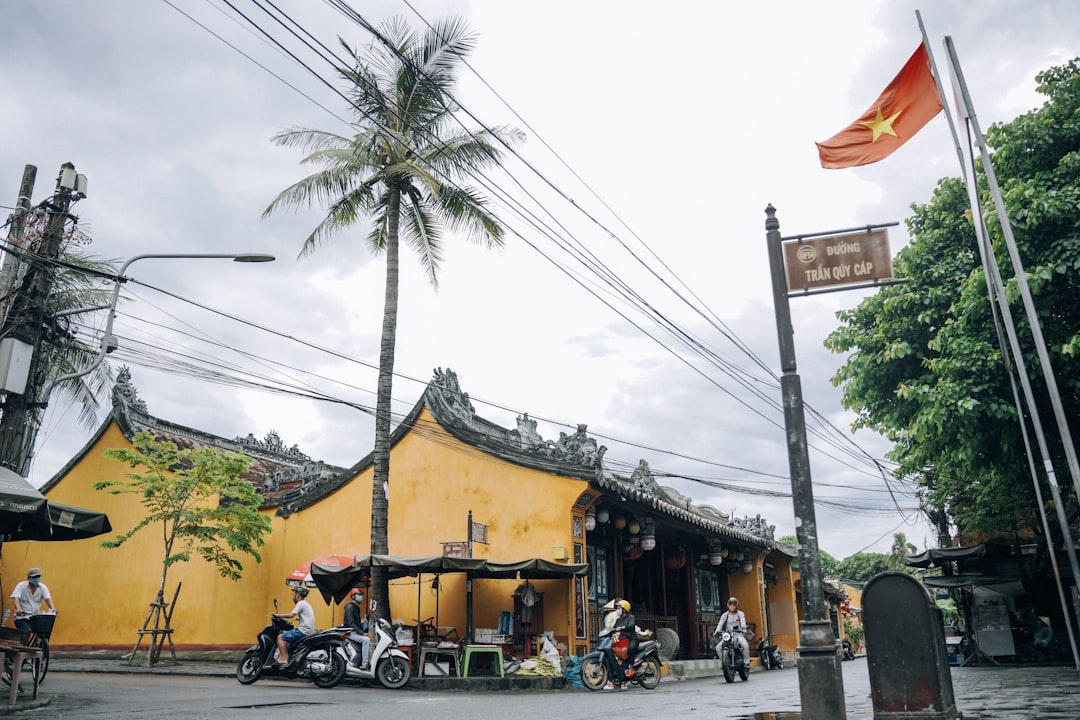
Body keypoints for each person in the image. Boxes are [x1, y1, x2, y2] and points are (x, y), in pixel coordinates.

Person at [274, 586, 315, 665]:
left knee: (280, 637)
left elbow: (291, 615)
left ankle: (284, 658)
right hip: (307, 630)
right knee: (288, 641)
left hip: (304, 631)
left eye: (293, 594)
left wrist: (278, 615)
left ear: (298, 595)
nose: (293, 597)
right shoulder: (306, 604)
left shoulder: (301, 603)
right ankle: (287, 657)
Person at [715, 597, 750, 667]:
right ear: (728, 605)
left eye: (734, 605)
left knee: (745, 645)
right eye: (730, 605)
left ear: (736, 606)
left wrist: (744, 629)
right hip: (728, 635)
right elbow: (720, 624)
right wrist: (716, 632)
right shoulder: (725, 615)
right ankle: (724, 663)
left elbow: (743, 622)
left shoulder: (740, 614)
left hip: (738, 634)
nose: (732, 606)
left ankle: (746, 662)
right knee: (718, 647)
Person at [343, 589, 370, 669]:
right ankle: (364, 663)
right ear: (353, 596)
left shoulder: (356, 607)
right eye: (358, 595)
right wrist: (363, 633)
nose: (360, 597)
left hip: (354, 631)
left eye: (361, 595)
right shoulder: (350, 607)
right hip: (350, 632)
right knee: (366, 640)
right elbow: (351, 623)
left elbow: (356, 622)